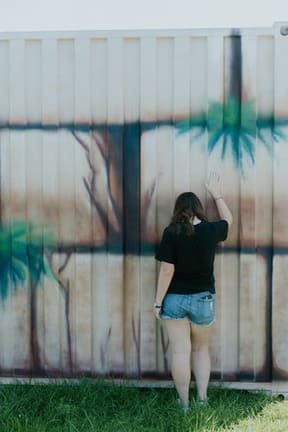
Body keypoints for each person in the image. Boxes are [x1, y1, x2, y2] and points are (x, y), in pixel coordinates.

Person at [154, 171, 232, 412]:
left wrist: (158, 303)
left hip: (175, 300)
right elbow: (228, 221)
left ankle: (184, 404)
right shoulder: (211, 231)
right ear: (198, 209)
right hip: (203, 299)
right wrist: (217, 195)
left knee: (180, 351)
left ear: (178, 210)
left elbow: (167, 271)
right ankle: (202, 398)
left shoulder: (172, 232)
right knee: (200, 349)